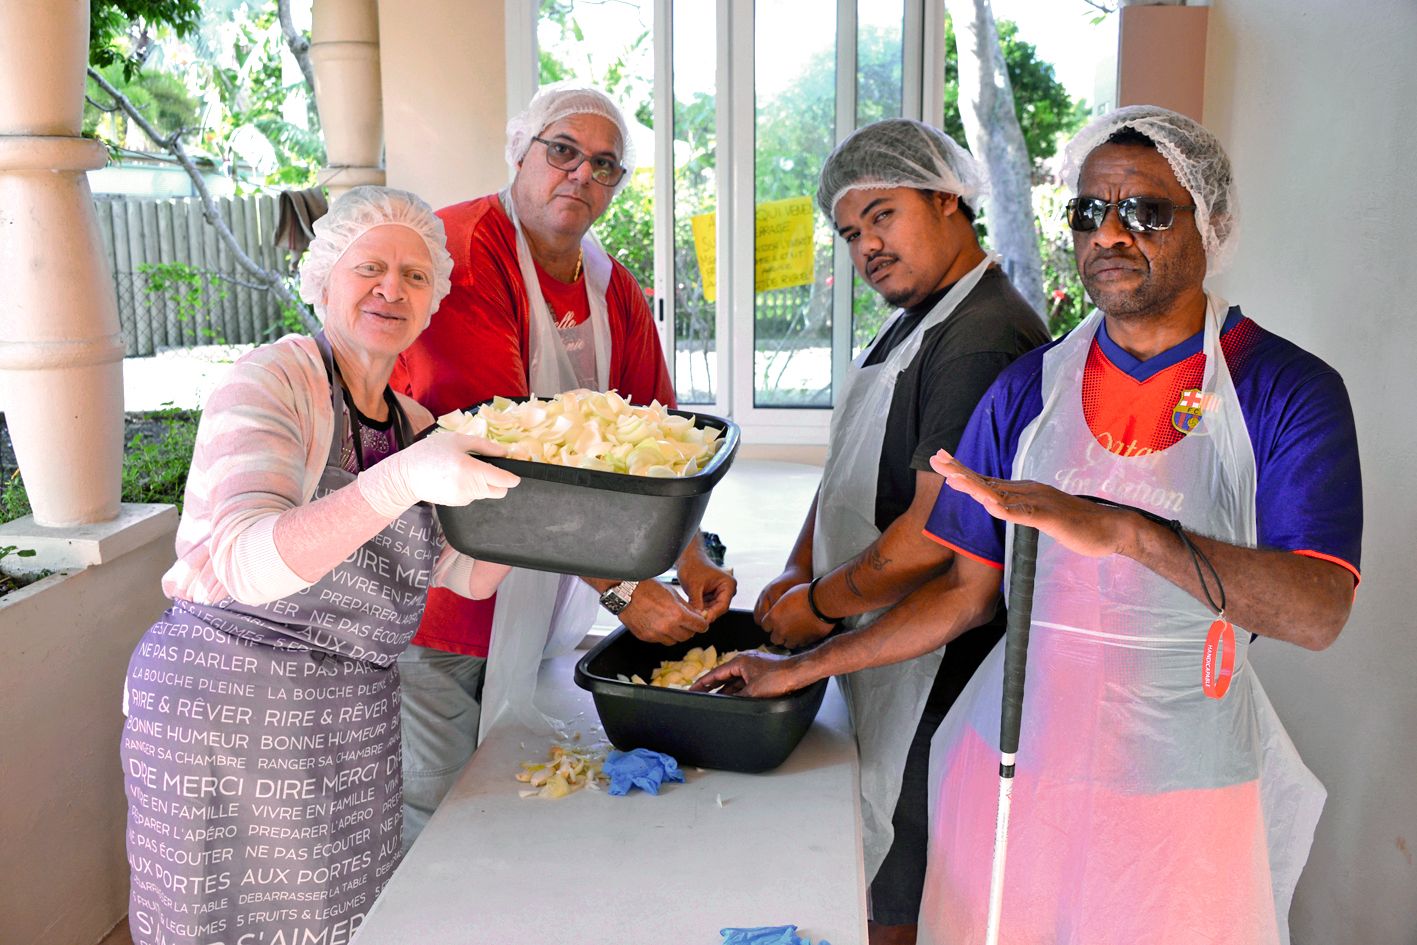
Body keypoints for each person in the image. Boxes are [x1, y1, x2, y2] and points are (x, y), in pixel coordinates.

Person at [695, 105, 1362, 945]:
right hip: (1012, 770)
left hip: (1183, 787)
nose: (1108, 233)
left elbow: (1317, 609)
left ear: (1213, 222)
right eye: (1088, 211)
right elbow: (966, 593)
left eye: (1145, 210)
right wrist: (801, 665)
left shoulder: (1284, 389)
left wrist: (1127, 531)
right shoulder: (1027, 389)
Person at [120, 186, 521, 945]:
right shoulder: (273, 380)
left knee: (344, 924)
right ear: (324, 279)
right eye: (370, 266)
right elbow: (244, 561)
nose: (390, 288)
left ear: (433, 298)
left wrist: (537, 512)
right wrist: (402, 480)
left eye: (413, 275)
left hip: (346, 726)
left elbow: (462, 575)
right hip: (220, 719)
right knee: (210, 926)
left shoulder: (417, 427)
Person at [391, 84, 736, 847]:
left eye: (605, 164)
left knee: (506, 797)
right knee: (443, 810)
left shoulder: (612, 286)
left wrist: (686, 552)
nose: (581, 173)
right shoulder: (461, 254)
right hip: (442, 590)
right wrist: (620, 588)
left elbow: (662, 442)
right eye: (562, 151)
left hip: (538, 595)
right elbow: (497, 455)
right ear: (520, 150)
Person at [749, 118, 1047, 945]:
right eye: (849, 232)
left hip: (940, 670)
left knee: (902, 887)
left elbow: (929, 538)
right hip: (878, 643)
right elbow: (850, 465)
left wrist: (816, 603)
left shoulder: (982, 334)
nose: (866, 246)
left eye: (882, 214)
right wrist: (793, 568)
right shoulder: (917, 316)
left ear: (947, 196)